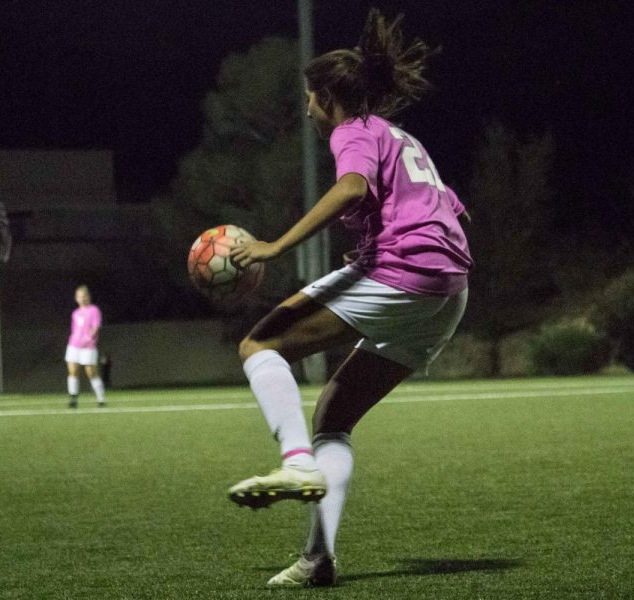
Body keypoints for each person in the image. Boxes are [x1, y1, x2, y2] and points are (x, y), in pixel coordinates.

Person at [227, 8, 473, 587]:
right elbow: (441, 209)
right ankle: (318, 559)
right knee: (333, 417)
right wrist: (368, 253)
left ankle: (293, 465)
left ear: (327, 97)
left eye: (311, 97)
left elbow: (351, 186)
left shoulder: (352, 131)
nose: (309, 108)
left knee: (259, 344)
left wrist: (272, 247)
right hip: (449, 288)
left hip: (405, 273)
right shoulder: (398, 135)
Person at [64, 285, 106, 407]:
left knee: (91, 372)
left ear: (88, 297)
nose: (82, 299)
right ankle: (73, 398)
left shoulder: (94, 310)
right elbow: (74, 330)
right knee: (73, 371)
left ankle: (100, 398)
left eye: (84, 296)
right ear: (76, 298)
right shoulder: (75, 313)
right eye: (79, 296)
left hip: (88, 347)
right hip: (73, 345)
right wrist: (74, 341)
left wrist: (88, 339)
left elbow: (96, 327)